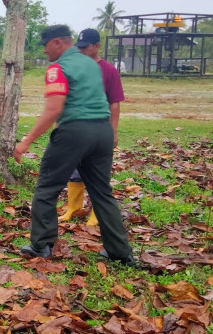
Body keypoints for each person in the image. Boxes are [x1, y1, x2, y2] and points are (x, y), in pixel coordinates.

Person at [13, 24, 135, 266]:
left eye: (46, 45)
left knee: (47, 188)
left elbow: (54, 109)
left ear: (58, 42)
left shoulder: (57, 68)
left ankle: (41, 245)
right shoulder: (91, 64)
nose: (45, 51)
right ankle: (120, 253)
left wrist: (26, 140)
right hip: (103, 132)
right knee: (102, 192)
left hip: (74, 131)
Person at [59, 28, 125, 227]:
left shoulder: (108, 70)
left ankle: (97, 213)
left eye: (85, 47)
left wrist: (113, 130)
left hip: (99, 128)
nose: (81, 51)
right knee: (74, 170)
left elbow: (114, 102)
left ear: (97, 46)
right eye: (78, 47)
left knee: (98, 173)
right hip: (76, 128)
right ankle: (74, 208)